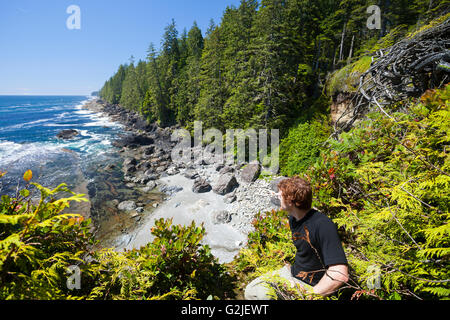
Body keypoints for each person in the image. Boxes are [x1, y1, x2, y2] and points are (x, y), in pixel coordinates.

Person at [244, 176, 349, 299]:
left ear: (290, 201)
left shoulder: (322, 225)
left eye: (280, 194)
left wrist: (311, 295)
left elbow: (340, 273)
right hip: (294, 272)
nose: (277, 196)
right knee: (251, 291)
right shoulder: (293, 219)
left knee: (262, 296)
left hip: (311, 285)